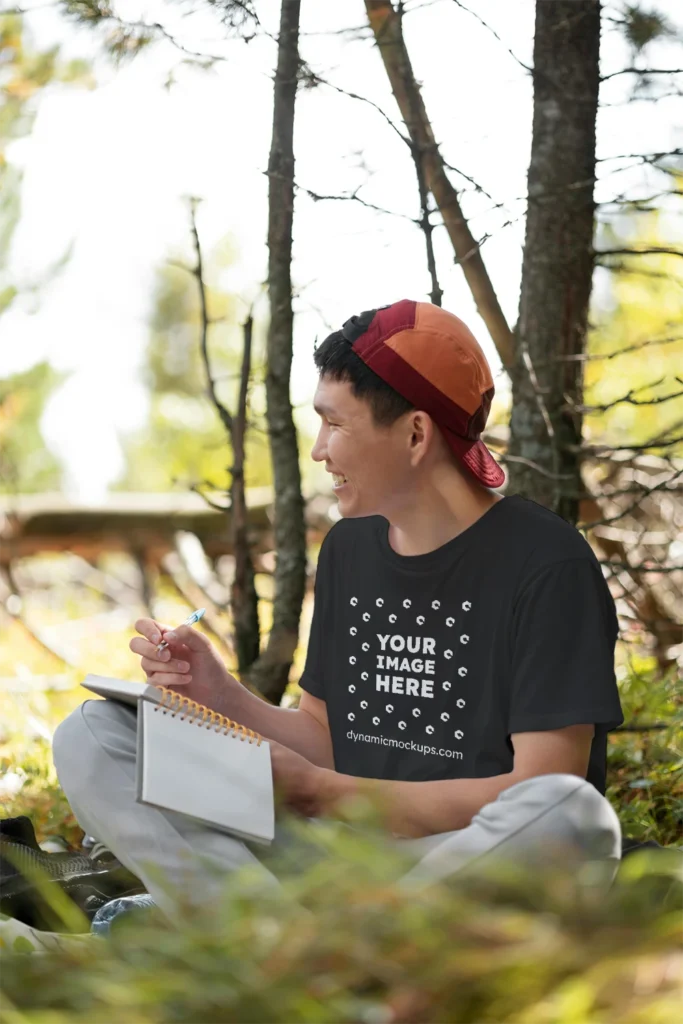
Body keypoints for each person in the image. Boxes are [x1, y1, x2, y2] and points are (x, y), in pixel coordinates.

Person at [53, 299, 624, 909]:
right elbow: (325, 738)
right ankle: (270, 935)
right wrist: (221, 696)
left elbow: (545, 784)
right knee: (93, 734)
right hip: (330, 851)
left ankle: (281, 941)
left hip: (459, 860)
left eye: (336, 424)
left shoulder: (546, 563)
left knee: (569, 814)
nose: (319, 449)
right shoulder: (350, 549)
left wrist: (327, 794)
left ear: (415, 433)